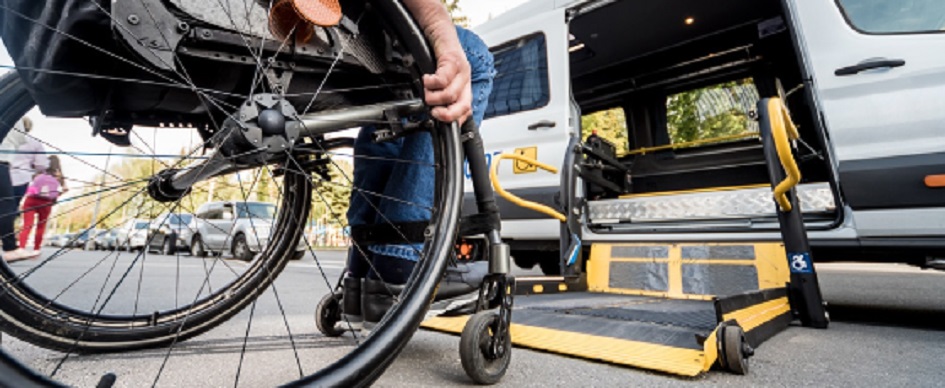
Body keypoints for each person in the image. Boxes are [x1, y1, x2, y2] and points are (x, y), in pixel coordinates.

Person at [342, 3, 495, 328]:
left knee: (390, 108)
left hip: (314, 34)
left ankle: (363, 270)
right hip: (347, 30)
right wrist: (447, 43)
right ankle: (399, 260)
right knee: (476, 58)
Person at [0, 118, 40, 262]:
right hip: (6, 166)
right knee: (6, 206)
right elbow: (40, 164)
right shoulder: (33, 142)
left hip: (10, 169)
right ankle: (10, 249)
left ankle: (10, 247)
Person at [19, 156, 64, 251]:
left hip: (31, 200)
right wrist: (55, 195)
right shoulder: (58, 176)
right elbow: (65, 189)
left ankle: (21, 248)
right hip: (46, 203)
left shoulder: (39, 172)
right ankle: (36, 249)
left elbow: (31, 186)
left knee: (27, 225)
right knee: (41, 227)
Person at [10, 117, 48, 207]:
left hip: (3, 176)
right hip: (21, 180)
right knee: (12, 207)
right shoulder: (35, 143)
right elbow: (41, 165)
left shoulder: (5, 139)